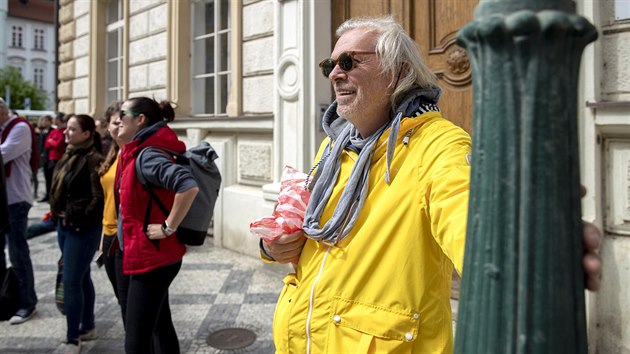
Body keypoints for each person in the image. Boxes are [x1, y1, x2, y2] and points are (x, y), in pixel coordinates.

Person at [259, 17, 603, 353]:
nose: (335, 74)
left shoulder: (439, 148)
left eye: (349, 61)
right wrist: (272, 247)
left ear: (400, 72)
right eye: (329, 65)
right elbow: (309, 232)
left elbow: (471, 217)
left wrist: (524, 246)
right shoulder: (333, 147)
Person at [115, 97, 199, 353]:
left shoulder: (148, 154)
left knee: (136, 343)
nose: (118, 119)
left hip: (151, 257)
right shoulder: (139, 148)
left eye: (122, 113)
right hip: (145, 252)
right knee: (160, 325)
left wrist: (167, 227)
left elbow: (187, 185)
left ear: (140, 119)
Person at [50, 114, 104, 353]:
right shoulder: (68, 155)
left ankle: (73, 337)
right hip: (64, 226)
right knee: (82, 277)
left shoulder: (94, 159)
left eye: (72, 129)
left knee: (71, 281)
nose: (66, 133)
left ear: (86, 134)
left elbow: (98, 199)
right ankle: (88, 326)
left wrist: (80, 217)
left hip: (81, 229)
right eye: (67, 129)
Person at [0, 97, 38, 324]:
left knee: (17, 253)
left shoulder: (20, 127)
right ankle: (6, 300)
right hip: (2, 200)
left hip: (16, 200)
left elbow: (2, 154)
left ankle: (27, 303)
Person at [96, 100, 129, 326]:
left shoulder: (134, 153)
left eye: (122, 122)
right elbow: (107, 200)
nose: (118, 127)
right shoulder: (113, 153)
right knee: (123, 301)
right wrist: (101, 240)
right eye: (114, 123)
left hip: (126, 238)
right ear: (107, 126)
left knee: (132, 306)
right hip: (108, 236)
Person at [43, 112, 68, 203]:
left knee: (56, 179)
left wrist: (52, 141)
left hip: (58, 158)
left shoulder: (63, 131)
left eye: (56, 118)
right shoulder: (53, 131)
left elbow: (59, 144)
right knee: (49, 178)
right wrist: (52, 142)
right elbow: (46, 144)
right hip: (50, 158)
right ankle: (49, 196)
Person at [36, 115, 53, 201]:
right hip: (44, 157)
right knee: (45, 177)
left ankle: (50, 195)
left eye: (46, 120)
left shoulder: (52, 131)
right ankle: (46, 195)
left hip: (50, 158)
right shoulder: (42, 132)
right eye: (44, 120)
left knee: (50, 177)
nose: (44, 122)